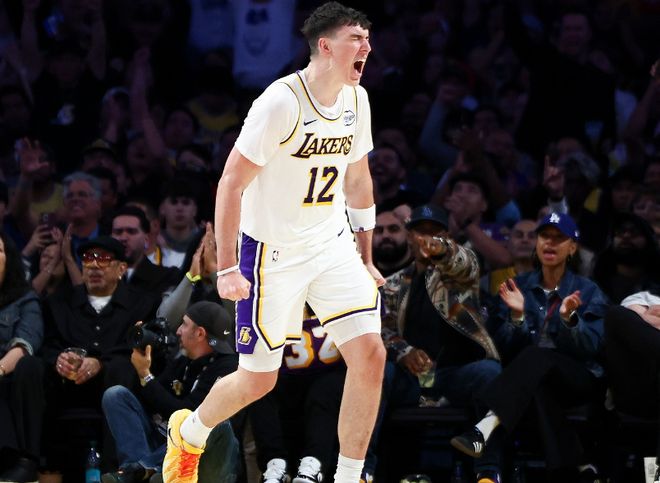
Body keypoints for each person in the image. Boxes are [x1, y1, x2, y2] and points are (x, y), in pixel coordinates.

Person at [163, 3, 386, 483]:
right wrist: (227, 268)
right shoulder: (280, 102)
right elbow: (230, 184)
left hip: (331, 245)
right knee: (259, 379)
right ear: (326, 46)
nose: (367, 47)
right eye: (357, 38)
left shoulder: (357, 99)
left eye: (368, 38)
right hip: (272, 254)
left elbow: (359, 180)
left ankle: (348, 477)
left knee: (371, 354)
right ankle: (189, 434)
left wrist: (366, 257)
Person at [451, 212, 610, 481]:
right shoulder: (517, 287)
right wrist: (517, 317)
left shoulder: (588, 291)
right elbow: (502, 348)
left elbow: (591, 347)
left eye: (559, 238)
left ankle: (487, 424)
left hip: (576, 377)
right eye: (545, 236)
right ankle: (577, 466)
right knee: (534, 383)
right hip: (527, 380)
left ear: (572, 247)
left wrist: (570, 320)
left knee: (536, 358)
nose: (550, 243)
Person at [375, 204, 503, 483]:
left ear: (448, 237)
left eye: (435, 233)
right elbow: (383, 330)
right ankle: (363, 470)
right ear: (409, 237)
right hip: (411, 380)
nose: (427, 238)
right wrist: (404, 352)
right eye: (420, 232)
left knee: (489, 372)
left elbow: (465, 261)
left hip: (453, 376)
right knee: (378, 372)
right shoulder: (393, 284)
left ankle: (487, 473)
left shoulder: (462, 275)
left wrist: (442, 250)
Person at [40, 236, 159, 478]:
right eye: (87, 259)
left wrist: (100, 363)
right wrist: (60, 359)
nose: (94, 265)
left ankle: (118, 470)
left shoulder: (143, 303)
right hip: (68, 387)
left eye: (103, 259)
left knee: (121, 368)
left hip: (116, 384)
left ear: (121, 268)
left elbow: (139, 348)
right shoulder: (59, 302)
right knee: (33, 368)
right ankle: (34, 462)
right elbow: (47, 345)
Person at [101, 301, 240, 483]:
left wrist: (146, 375)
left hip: (208, 457)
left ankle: (144, 468)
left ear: (200, 333)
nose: (178, 331)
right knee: (116, 396)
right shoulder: (184, 360)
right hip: (166, 444)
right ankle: (135, 471)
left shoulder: (228, 367)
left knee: (211, 420)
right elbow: (150, 401)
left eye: (184, 324)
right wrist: (144, 357)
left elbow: (187, 415)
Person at [250, 306, 347, 483]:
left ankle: (314, 465)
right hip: (283, 380)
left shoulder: (343, 294)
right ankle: (275, 465)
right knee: (258, 386)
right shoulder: (270, 296)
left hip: (331, 383)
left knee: (326, 389)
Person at [0, 233, 44, 482]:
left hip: (8, 373)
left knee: (30, 366)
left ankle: (22, 462)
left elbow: (25, 343)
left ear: (9, 259)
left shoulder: (24, 299)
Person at [603, 290, 660, 483]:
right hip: (640, 393)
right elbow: (630, 316)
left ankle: (655, 479)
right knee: (616, 314)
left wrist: (650, 319)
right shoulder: (646, 296)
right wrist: (646, 319)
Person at [111, 206, 181, 297]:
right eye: (118, 232)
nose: (123, 238)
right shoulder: (99, 276)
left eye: (131, 231)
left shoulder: (166, 277)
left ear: (146, 239)